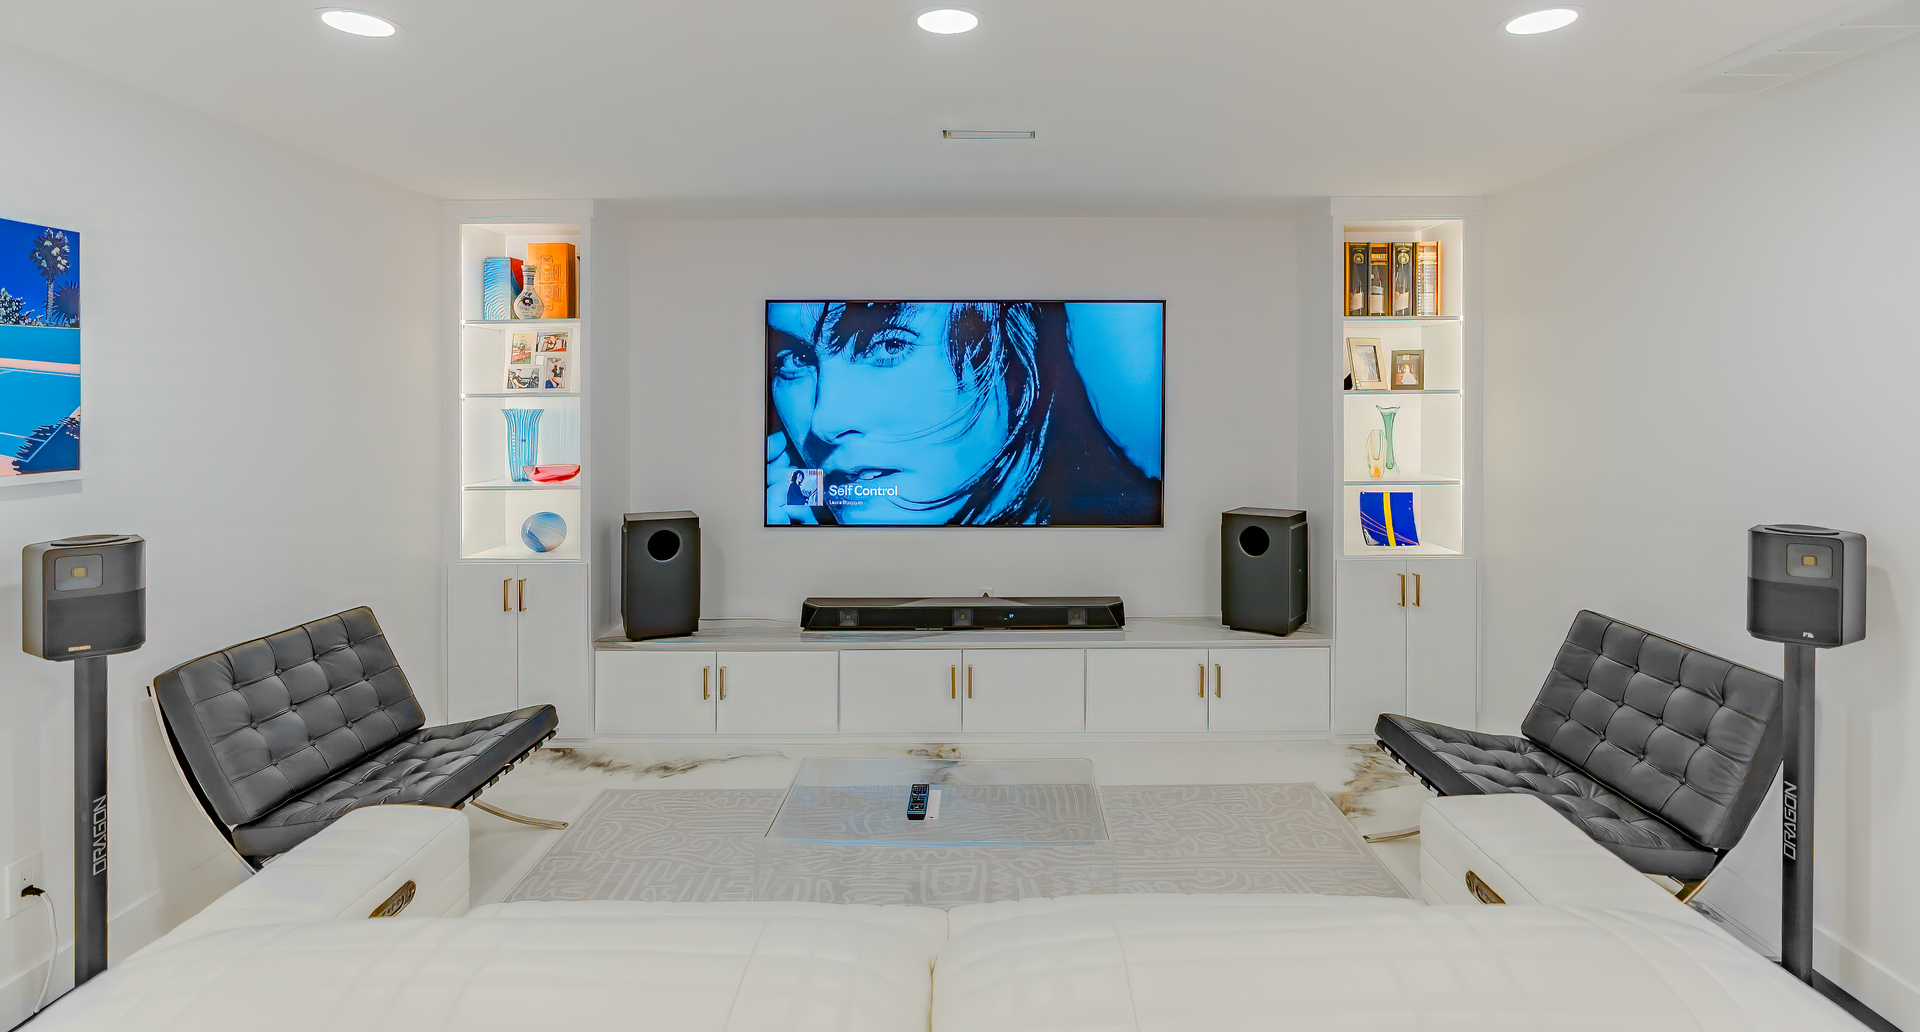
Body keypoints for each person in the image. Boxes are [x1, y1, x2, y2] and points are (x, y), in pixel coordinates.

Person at [765, 301, 1159, 526]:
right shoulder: (800, 508)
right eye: (796, 359)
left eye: (887, 346)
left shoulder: (1137, 517)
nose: (823, 423)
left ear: (1019, 361)